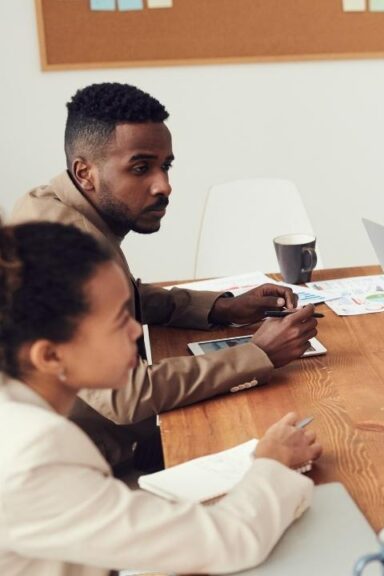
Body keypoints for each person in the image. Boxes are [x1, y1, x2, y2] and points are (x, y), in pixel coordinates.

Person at [10, 82, 318, 471]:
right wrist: (257, 354)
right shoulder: (59, 250)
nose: (164, 186)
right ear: (85, 172)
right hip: (95, 467)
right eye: (141, 168)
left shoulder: (59, 209)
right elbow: (126, 396)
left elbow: (121, 298)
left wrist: (223, 307)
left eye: (165, 166)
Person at [0, 220, 322, 575]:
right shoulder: (35, 455)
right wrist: (272, 463)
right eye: (117, 320)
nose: (136, 330)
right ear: (50, 356)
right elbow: (227, 541)